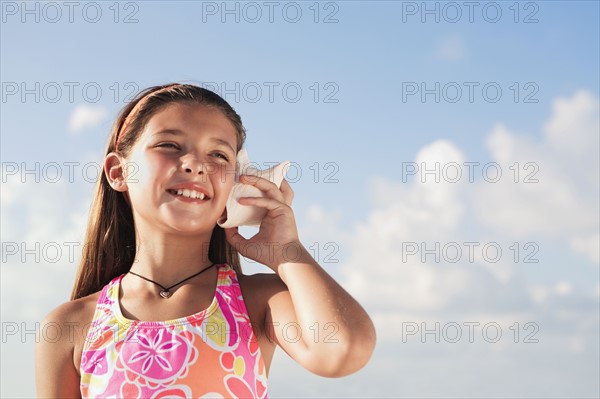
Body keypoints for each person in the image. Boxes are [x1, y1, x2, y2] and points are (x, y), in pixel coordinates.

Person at [35, 83, 376, 398]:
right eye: (169, 145)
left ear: (236, 184)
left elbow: (344, 351)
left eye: (219, 155)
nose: (197, 165)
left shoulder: (256, 303)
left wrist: (287, 251)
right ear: (118, 171)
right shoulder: (71, 325)